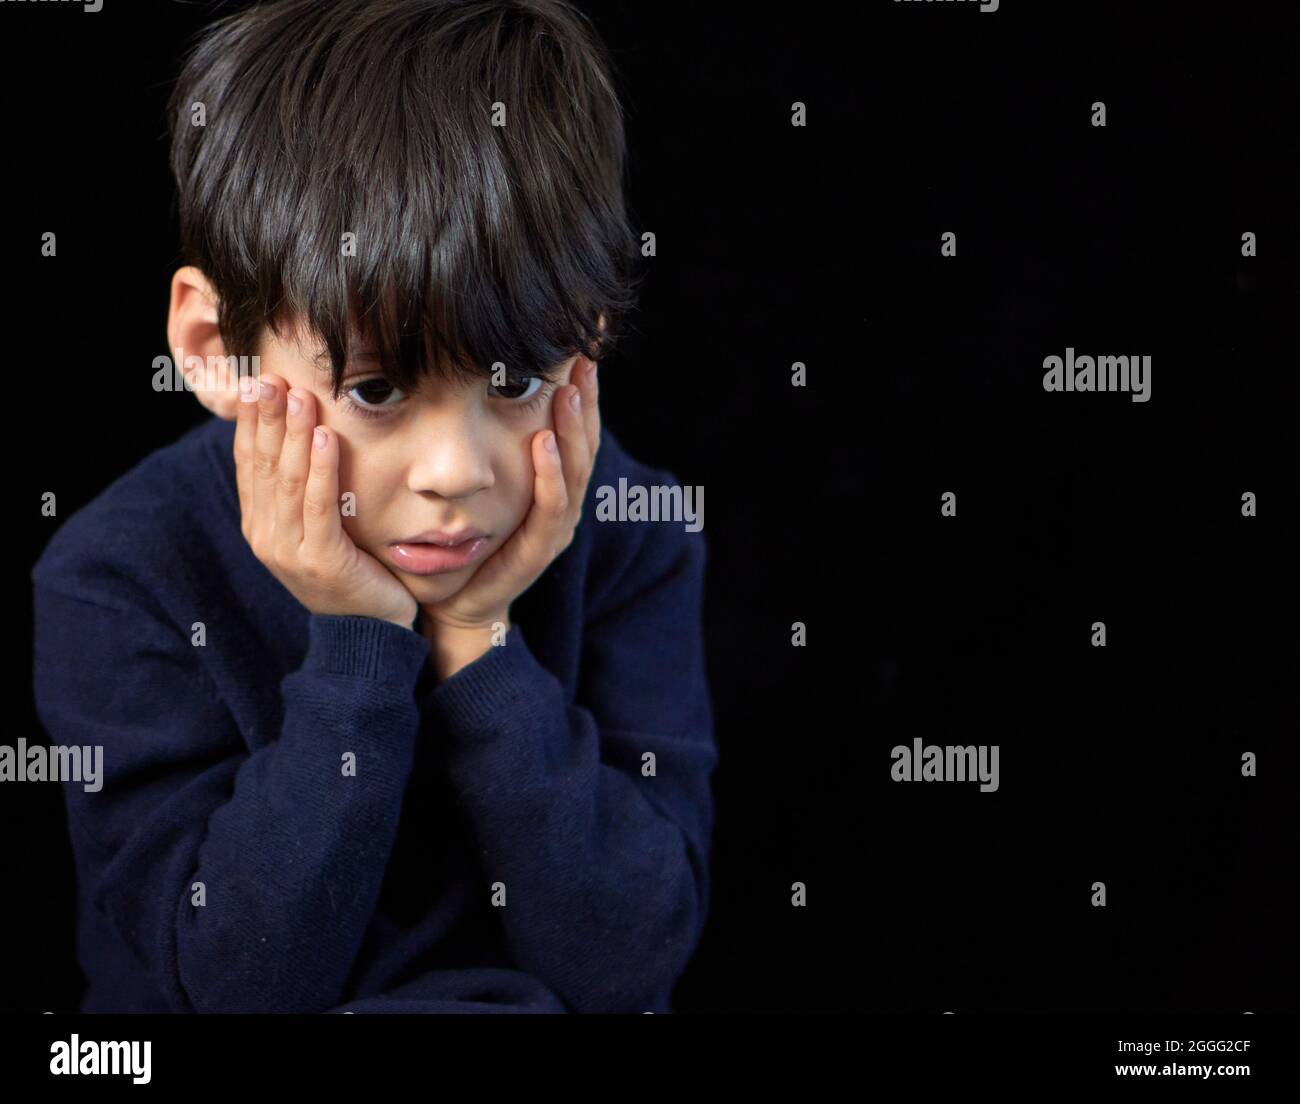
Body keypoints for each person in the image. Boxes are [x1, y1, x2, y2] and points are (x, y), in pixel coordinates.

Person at [30, 0, 715, 1014]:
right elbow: (231, 987)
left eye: (516, 380)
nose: (455, 470)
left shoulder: (630, 531)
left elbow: (627, 963)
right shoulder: (122, 574)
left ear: (591, 340)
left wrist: (478, 641)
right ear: (219, 352)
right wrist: (361, 640)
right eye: (378, 391)